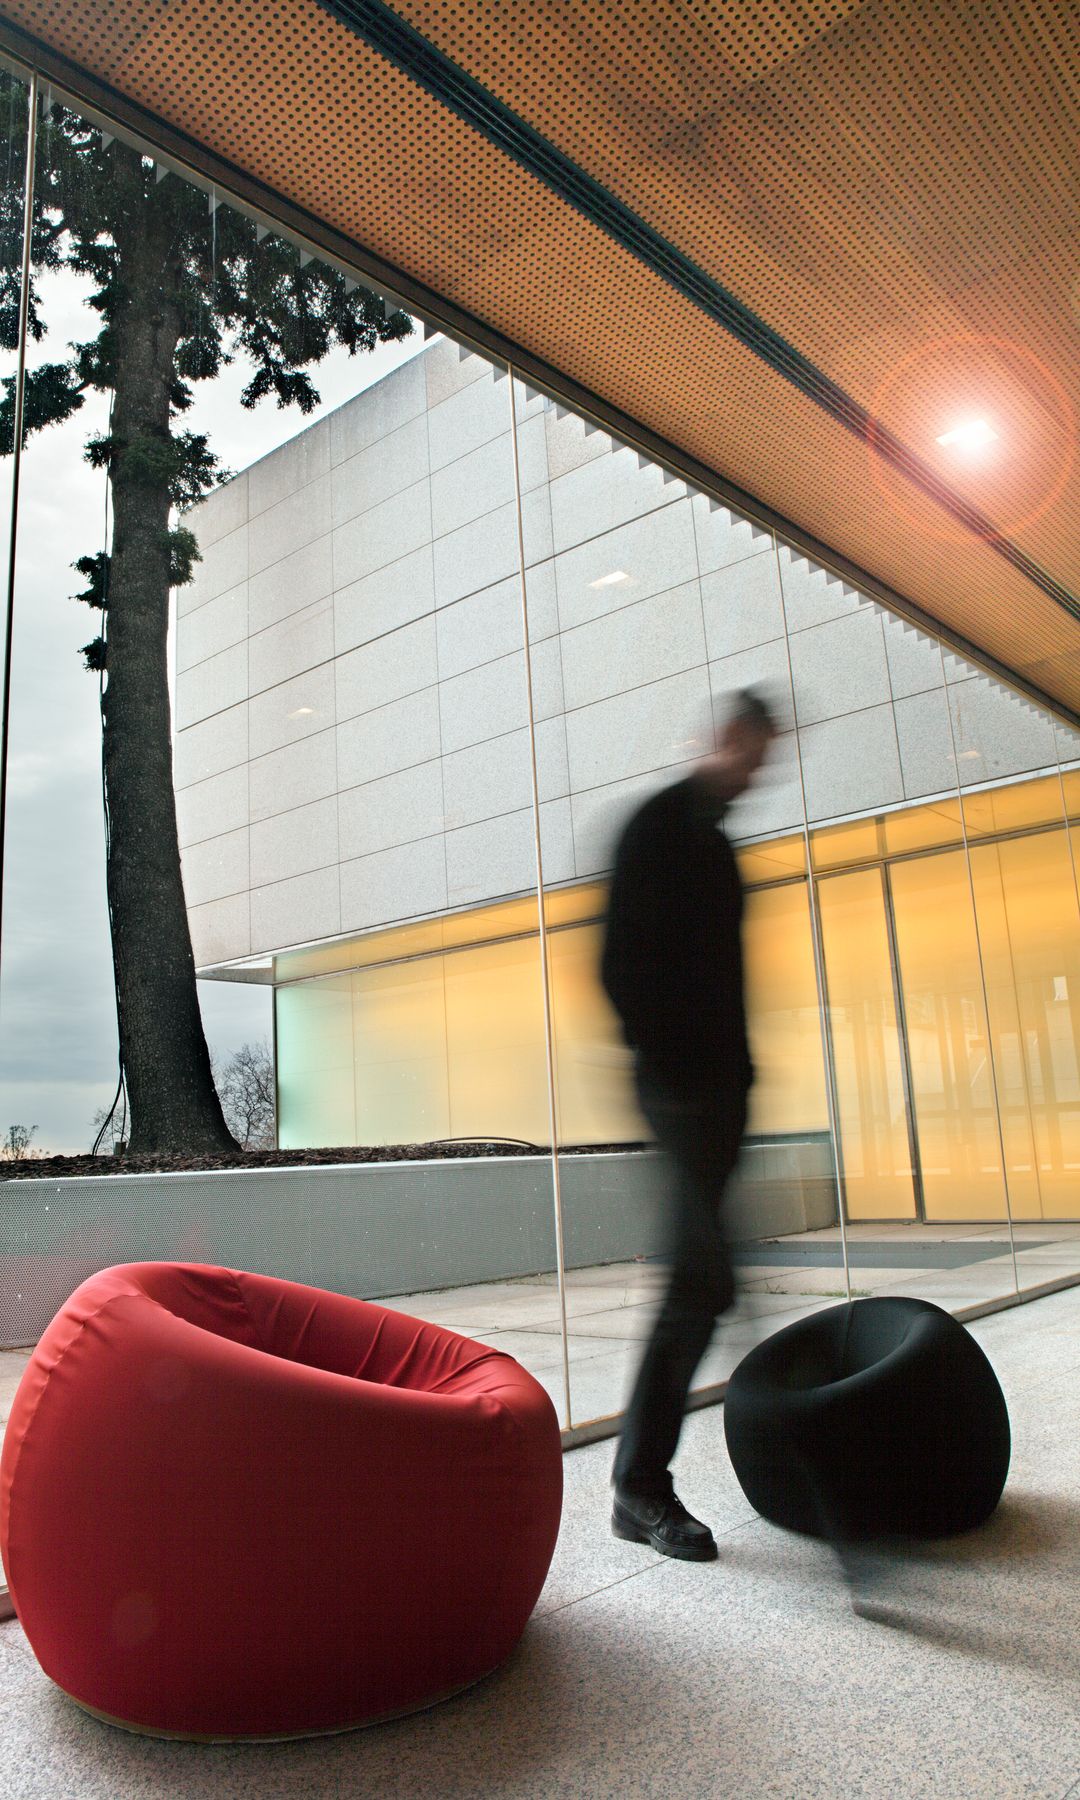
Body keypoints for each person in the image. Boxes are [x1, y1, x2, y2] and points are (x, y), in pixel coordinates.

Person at [601, 687, 778, 1561]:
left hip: (720, 1099)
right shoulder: (659, 828)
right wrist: (675, 1076)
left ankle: (638, 1486)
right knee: (698, 1281)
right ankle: (638, 1489)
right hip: (677, 1094)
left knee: (702, 1287)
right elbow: (619, 968)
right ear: (726, 739)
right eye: (754, 752)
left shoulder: (718, 846)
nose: (760, 770)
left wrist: (739, 1083)